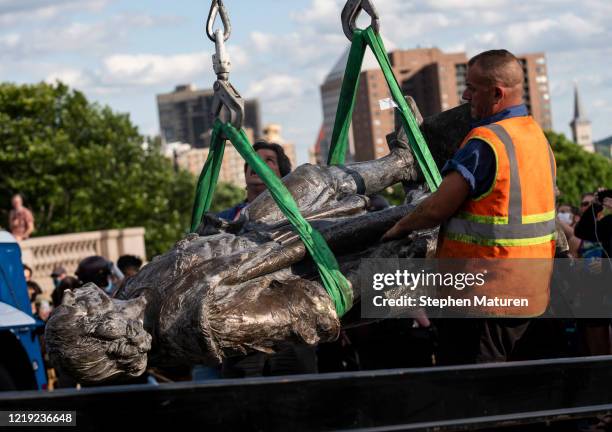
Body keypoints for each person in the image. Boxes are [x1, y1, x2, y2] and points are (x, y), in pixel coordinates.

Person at [383, 49, 557, 364]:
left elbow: (436, 208)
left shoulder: (485, 143)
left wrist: (398, 227)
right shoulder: (537, 139)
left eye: (473, 88)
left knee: (474, 395)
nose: (465, 95)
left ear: (497, 93)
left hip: (483, 298)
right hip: (531, 295)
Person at [217, 140, 292, 221]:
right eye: (254, 159)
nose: (257, 163)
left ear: (283, 178)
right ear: (246, 174)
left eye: (269, 160)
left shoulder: (294, 219)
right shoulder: (220, 219)